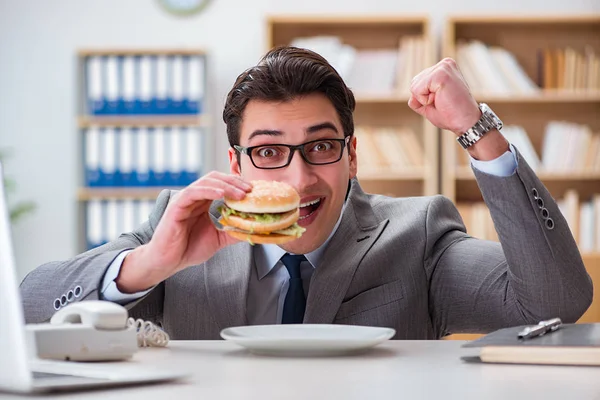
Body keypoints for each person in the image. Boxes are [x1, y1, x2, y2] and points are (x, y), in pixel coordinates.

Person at [20, 47, 592, 339]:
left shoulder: (417, 235)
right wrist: (150, 263)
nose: (298, 180)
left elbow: (555, 301)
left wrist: (479, 133)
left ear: (352, 155)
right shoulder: (180, 227)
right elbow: (27, 310)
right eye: (268, 151)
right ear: (236, 163)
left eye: (320, 147)